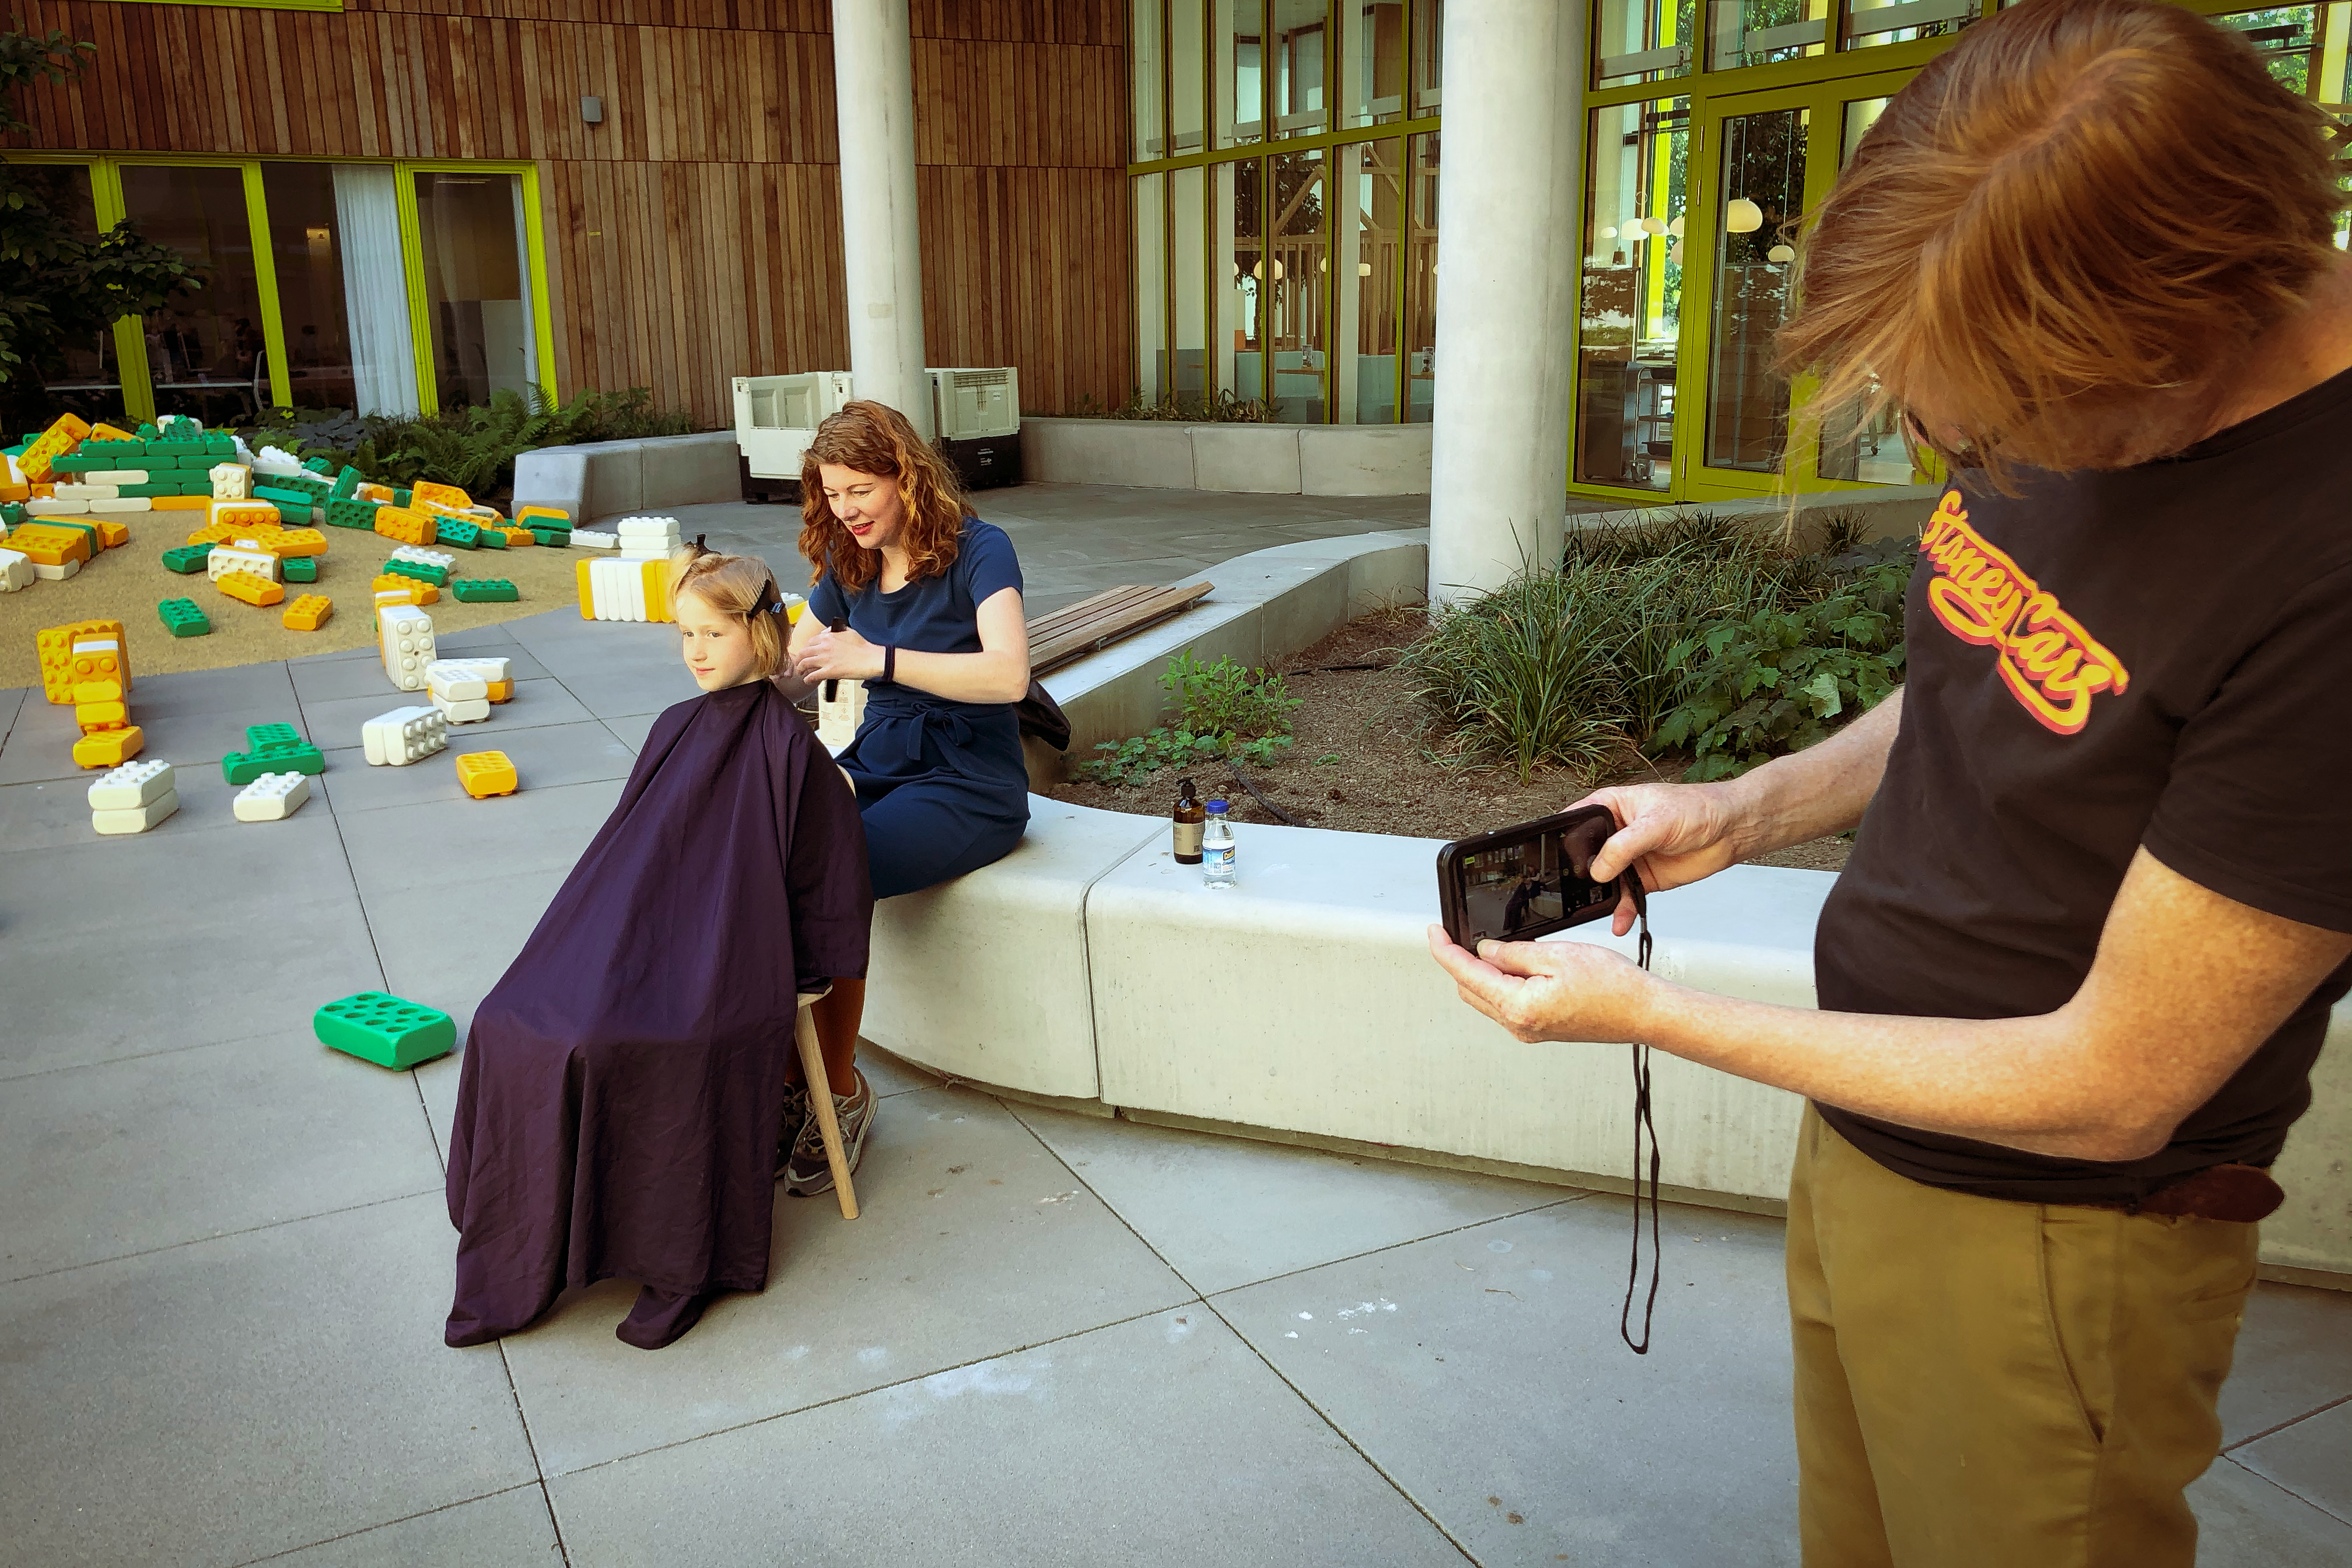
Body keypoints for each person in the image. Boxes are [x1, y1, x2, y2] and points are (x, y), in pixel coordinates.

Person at [1427, 2, 2352, 1562]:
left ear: (2170, 334)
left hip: (2062, 1241)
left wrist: (1653, 1017)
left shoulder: (2322, 565)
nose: (1957, 451)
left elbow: (2118, 1087)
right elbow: (1997, 667)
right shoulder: (2077, 364)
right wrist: (1749, 808)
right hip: (1873, 1126)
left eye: (1989, 422)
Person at [443, 549, 872, 1352]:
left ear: (759, 631)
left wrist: (771, 965)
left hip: (723, 961)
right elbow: (631, 858)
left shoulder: (793, 756)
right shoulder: (674, 728)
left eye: (712, 633)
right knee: (509, 1023)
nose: (696, 652)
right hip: (635, 938)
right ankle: (530, 1233)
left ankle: (680, 1261)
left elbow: (825, 899)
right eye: (685, 635)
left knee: (641, 1046)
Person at [782, 399, 1032, 1198]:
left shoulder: (980, 550)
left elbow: (1008, 676)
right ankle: (799, 1086)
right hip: (881, 756)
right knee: (768, 857)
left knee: (836, 868)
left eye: (861, 489)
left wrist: (879, 660)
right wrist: (727, 633)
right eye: (832, 493)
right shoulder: (848, 563)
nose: (846, 510)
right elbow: (796, 660)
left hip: (969, 777)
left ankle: (842, 1094)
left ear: (907, 476)